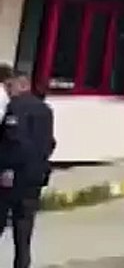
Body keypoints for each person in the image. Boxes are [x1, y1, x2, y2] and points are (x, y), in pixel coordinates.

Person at [0, 71, 54, 268]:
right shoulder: (46, 110)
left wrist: (6, 167)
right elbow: (49, 143)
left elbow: (13, 142)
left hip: (13, 176)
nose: (9, 90)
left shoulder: (15, 107)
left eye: (11, 86)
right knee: (24, 230)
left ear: (22, 86)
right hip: (35, 176)